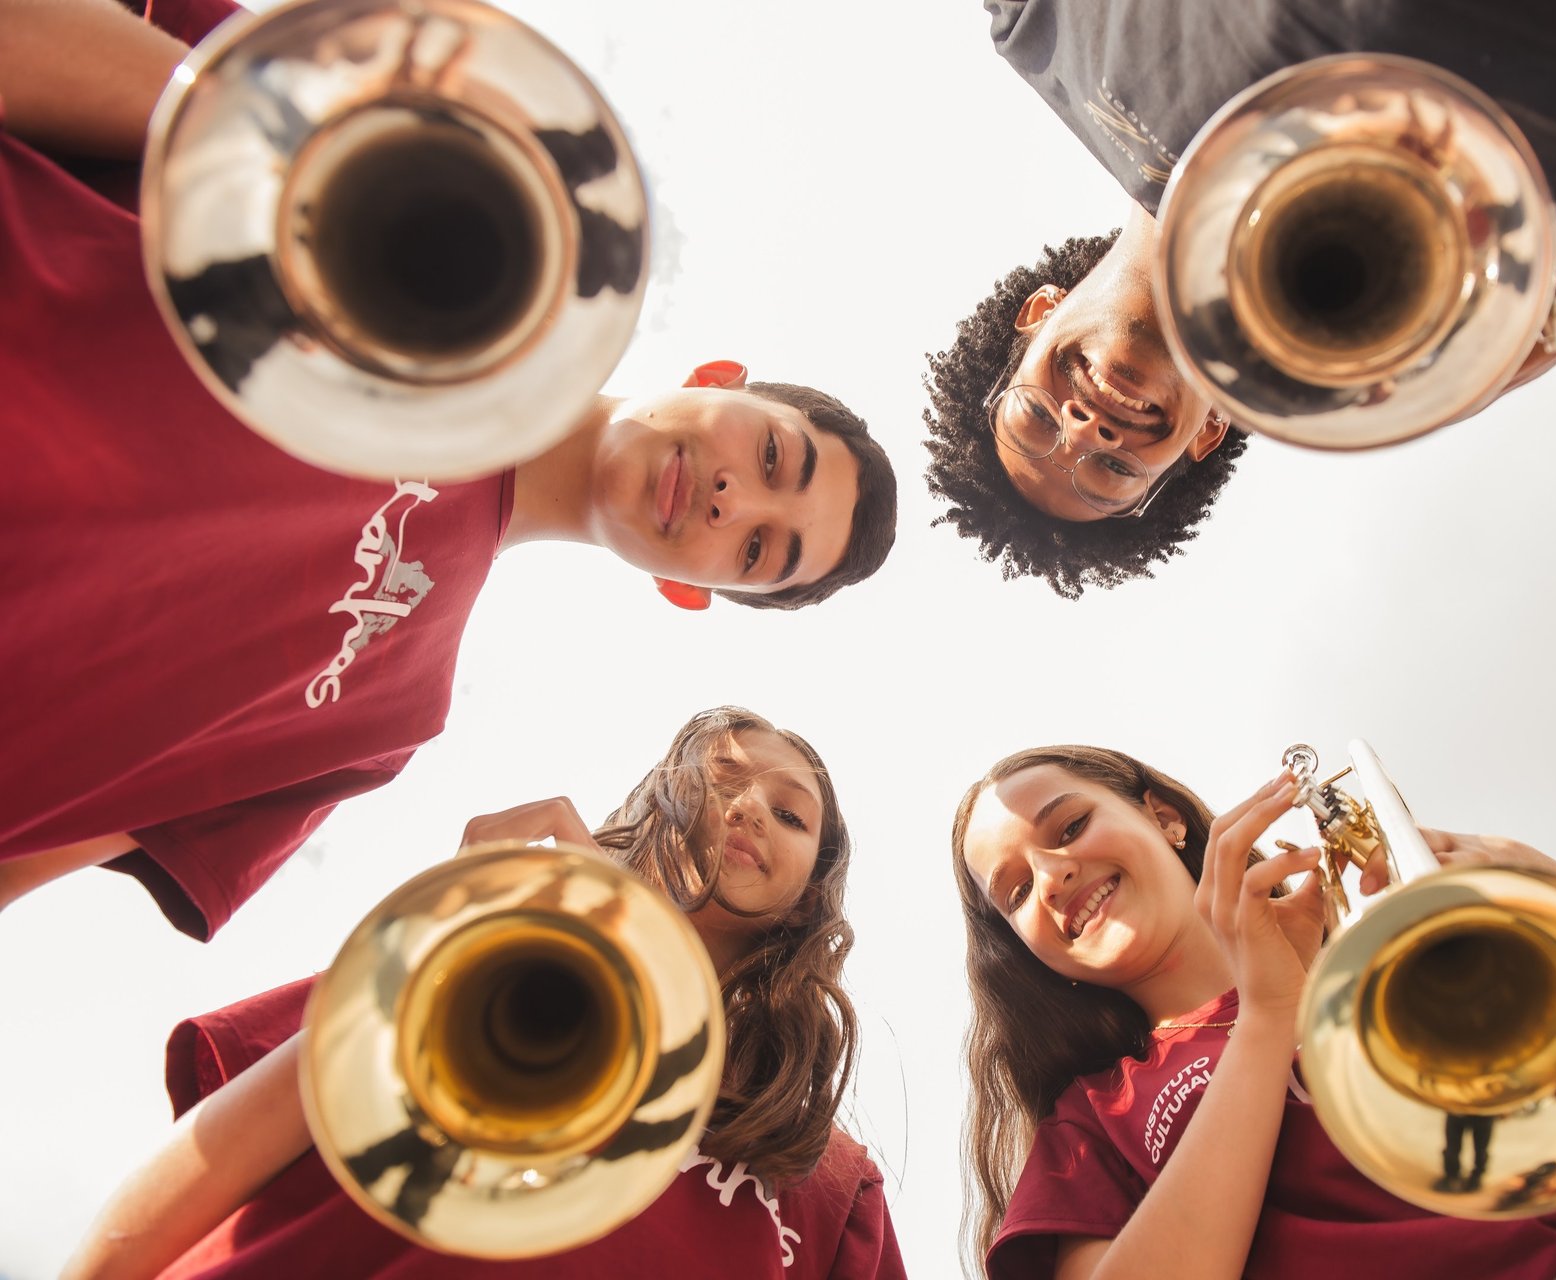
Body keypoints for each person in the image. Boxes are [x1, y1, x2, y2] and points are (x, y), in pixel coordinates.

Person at [0, 0, 900, 937]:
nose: (733, 498)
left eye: (758, 549)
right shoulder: (433, 203)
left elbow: (23, 859)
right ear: (717, 376)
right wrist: (294, 140)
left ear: (688, 590)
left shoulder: (390, 721)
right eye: (769, 455)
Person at [924, 0, 1556, 597]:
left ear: (1035, 313)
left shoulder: (1044, 32)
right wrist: (1539, 346)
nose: (1085, 428)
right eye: (1107, 469)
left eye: (1036, 421)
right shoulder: (1460, 321)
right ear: (1201, 436)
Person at [952, 745, 1556, 1278]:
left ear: (1163, 815)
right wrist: (1266, 1021)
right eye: (1012, 889)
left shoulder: (1395, 939)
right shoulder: (1093, 1117)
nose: (1055, 871)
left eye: (1068, 825)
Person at [65, 706, 907, 1279]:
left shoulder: (829, 1185)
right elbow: (206, 1172)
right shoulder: (467, 961)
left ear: (810, 895)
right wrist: (448, 944)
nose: (750, 808)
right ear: (660, 802)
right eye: (721, 779)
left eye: (792, 815)